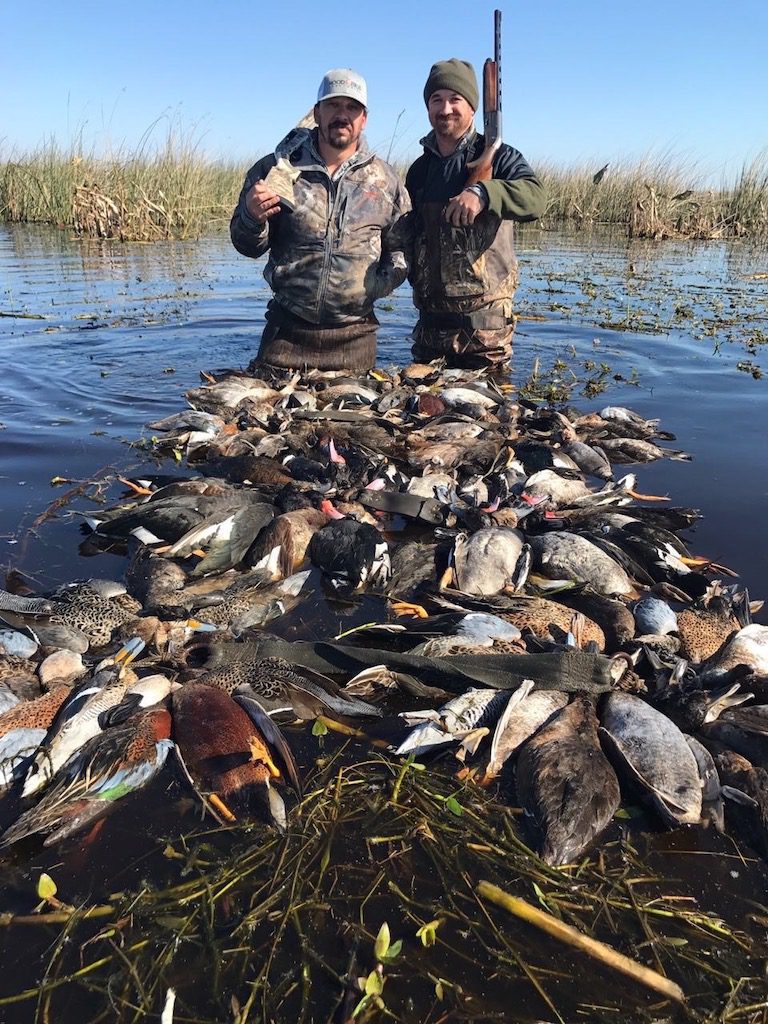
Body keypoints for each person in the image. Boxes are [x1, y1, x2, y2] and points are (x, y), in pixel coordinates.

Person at [230, 69, 411, 373]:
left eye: (352, 107)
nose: (342, 115)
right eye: (333, 105)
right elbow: (247, 246)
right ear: (317, 112)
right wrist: (251, 217)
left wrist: (375, 287)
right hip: (285, 335)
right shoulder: (276, 170)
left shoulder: (386, 180)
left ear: (364, 119)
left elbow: (401, 250)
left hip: (355, 339)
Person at [407, 58, 546, 370]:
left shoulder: (500, 156)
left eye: (455, 99)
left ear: (472, 107)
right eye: (436, 99)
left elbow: (536, 199)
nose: (445, 109)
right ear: (428, 107)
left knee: (490, 401)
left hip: (486, 334)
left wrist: (485, 193)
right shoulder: (419, 171)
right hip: (429, 331)